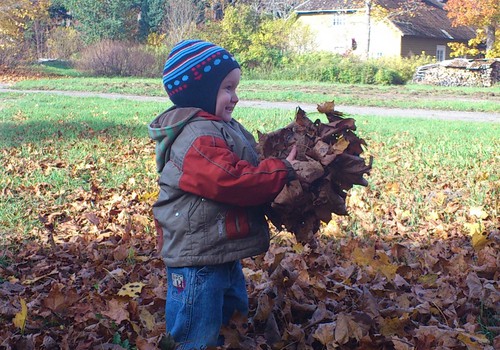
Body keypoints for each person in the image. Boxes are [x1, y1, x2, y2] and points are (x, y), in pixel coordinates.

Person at [148, 39, 297, 349]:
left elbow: (248, 159)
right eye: (227, 88)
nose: (236, 97)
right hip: (196, 258)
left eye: (235, 88)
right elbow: (231, 179)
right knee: (195, 329)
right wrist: (280, 170)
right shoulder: (196, 137)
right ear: (200, 91)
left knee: (231, 317)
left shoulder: (217, 127)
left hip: (218, 249)